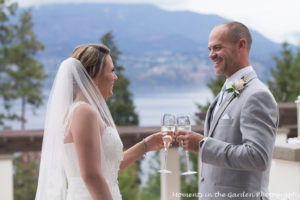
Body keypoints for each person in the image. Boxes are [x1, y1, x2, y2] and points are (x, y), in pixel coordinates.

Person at [35, 44, 169, 200]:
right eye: (112, 70)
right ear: (95, 77)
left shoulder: (79, 111)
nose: (115, 77)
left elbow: (106, 169)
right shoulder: (84, 112)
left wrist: (146, 145)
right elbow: (91, 176)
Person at [176, 22, 279, 199]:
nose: (211, 55)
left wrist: (203, 145)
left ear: (241, 45)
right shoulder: (227, 90)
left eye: (217, 48)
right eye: (209, 49)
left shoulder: (257, 95)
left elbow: (258, 157)